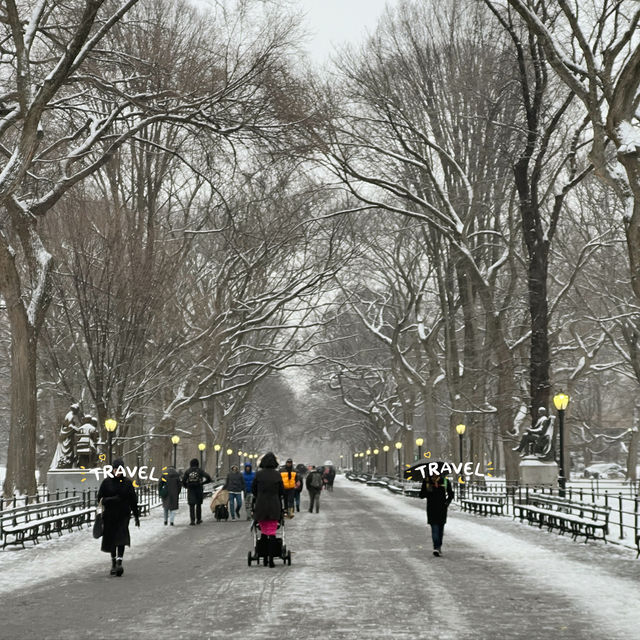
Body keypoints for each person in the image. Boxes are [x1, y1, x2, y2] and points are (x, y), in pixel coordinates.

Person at [97, 458, 140, 576]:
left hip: (123, 515)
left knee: (121, 538)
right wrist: (111, 499)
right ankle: (113, 562)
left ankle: (120, 562)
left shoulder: (127, 483)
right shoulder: (106, 483)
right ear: (113, 469)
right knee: (111, 539)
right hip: (109, 516)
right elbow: (100, 499)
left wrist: (136, 516)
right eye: (116, 469)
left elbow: (133, 500)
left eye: (120, 469)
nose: (118, 471)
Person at [252, 452, 284, 568]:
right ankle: (271, 559)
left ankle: (264, 557)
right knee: (272, 532)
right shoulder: (277, 475)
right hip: (274, 505)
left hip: (261, 506)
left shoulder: (258, 475)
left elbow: (254, 489)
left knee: (264, 532)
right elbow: (281, 491)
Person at [419, 471, 454, 557]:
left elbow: (451, 494)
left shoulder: (445, 481)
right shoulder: (427, 481)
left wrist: (447, 503)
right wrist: (428, 490)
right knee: (435, 528)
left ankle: (438, 547)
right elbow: (421, 495)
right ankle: (437, 547)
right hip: (432, 508)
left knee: (440, 528)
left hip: (442, 508)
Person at [182, 458, 212, 525]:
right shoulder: (200, 471)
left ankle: (192, 520)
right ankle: (198, 519)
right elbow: (208, 477)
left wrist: (187, 486)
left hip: (191, 489)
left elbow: (183, 481)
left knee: (191, 505)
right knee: (198, 505)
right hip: (198, 488)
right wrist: (203, 483)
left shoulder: (187, 471)